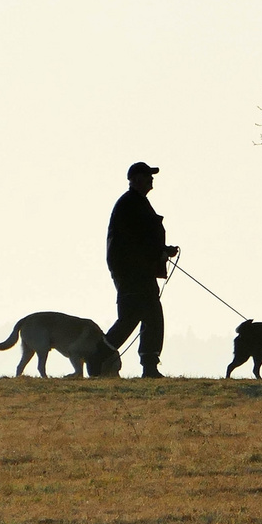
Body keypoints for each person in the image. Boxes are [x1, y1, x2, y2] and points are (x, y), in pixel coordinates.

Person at [105, 161, 178, 378]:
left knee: (145, 316)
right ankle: (100, 356)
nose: (151, 180)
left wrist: (162, 250)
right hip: (132, 272)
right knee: (139, 317)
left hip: (137, 271)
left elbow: (142, 240)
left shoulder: (135, 203)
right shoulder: (130, 204)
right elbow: (135, 241)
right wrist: (159, 253)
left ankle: (143, 365)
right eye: (148, 176)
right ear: (136, 179)